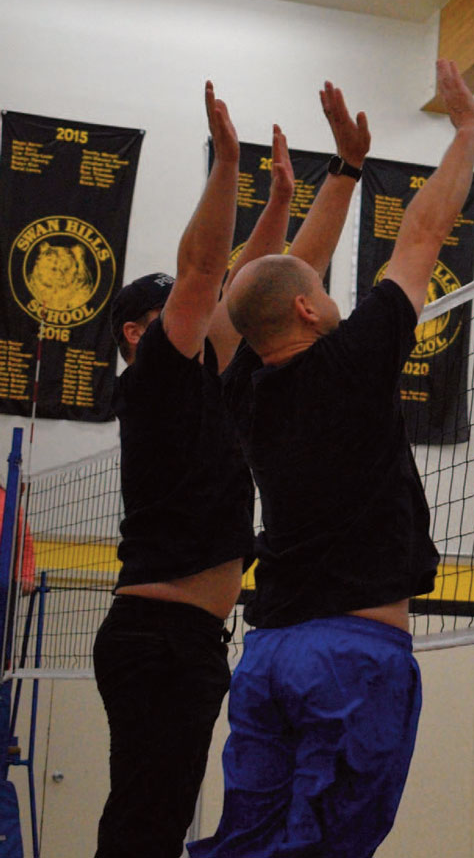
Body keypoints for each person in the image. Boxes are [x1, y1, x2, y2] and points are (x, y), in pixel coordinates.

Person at [191, 59, 474, 858]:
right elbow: (422, 231)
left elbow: (267, 286)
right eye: (319, 287)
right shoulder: (355, 360)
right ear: (311, 309)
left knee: (247, 842)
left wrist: (345, 173)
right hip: (351, 658)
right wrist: (466, 130)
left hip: (271, 653)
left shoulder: (241, 383)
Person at [92, 83, 294, 858]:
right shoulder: (154, 376)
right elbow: (207, 264)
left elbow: (244, 279)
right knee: (144, 827)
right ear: (140, 329)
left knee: (153, 822)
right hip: (159, 639)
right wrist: (228, 166)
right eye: (186, 303)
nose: (206, 308)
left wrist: (276, 198)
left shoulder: (208, 379)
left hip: (190, 640)